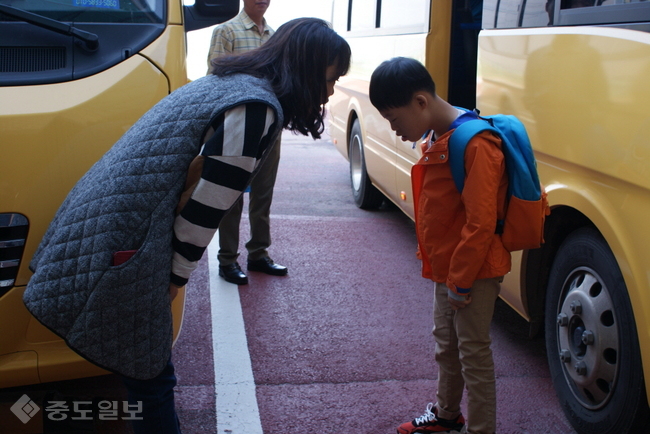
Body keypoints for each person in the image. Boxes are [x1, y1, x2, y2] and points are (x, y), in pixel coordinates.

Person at [23, 18, 350, 434]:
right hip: (128, 238)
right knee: (151, 374)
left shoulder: (228, 82)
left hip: (99, 219)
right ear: (308, 66)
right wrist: (175, 277)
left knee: (136, 367)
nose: (330, 90)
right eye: (331, 77)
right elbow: (205, 209)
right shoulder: (254, 108)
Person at [369, 57, 510, 434]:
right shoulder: (437, 134)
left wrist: (460, 281)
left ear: (420, 102)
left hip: (474, 272)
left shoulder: (477, 143)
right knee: (446, 346)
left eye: (395, 120)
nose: (395, 131)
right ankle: (447, 414)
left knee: (474, 354)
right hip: (449, 268)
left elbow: (480, 224)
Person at [206, 0, 286, 285]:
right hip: (239, 125)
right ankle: (227, 259)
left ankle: (258, 254)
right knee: (232, 195)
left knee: (263, 195)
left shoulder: (276, 37)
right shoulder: (227, 32)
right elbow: (216, 78)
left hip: (270, 126)